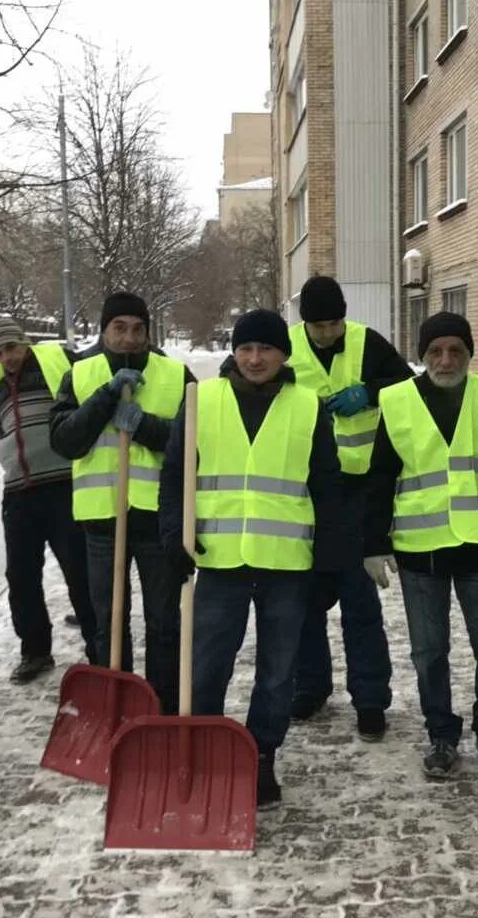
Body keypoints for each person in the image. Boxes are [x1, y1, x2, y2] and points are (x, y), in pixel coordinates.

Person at [159, 308, 349, 807]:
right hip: (218, 560)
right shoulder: (202, 399)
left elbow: (328, 487)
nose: (255, 358)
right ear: (234, 352)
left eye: (265, 348)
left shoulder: (308, 406)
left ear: (283, 354)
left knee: (277, 672)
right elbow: (176, 475)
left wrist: (329, 561)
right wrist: (173, 538)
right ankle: (198, 750)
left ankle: (261, 757)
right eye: (246, 348)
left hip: (287, 564)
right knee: (206, 667)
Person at [365, 311, 478, 781]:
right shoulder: (396, 401)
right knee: (429, 651)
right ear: (421, 356)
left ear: (470, 354)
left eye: (456, 350)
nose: (446, 359)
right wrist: (373, 543)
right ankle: (442, 735)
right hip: (420, 550)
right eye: (435, 350)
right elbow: (379, 476)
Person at [50, 292, 193, 713]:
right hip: (101, 521)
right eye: (120, 328)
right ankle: (118, 706)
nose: (129, 338)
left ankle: (162, 708)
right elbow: (65, 441)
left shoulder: (176, 374)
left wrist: (144, 425)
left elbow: (197, 445)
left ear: (148, 332)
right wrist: (106, 398)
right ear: (104, 330)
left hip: (157, 519)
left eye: (138, 329)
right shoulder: (79, 373)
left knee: (164, 622)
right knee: (108, 622)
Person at [285, 274, 412, 741]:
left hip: (358, 491)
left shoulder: (368, 342)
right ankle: (311, 687)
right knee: (304, 601)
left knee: (360, 603)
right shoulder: (287, 346)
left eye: (334, 322)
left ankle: (371, 699)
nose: (327, 332)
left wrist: (370, 392)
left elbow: (405, 384)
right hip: (304, 490)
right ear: (305, 324)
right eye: (318, 325)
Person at [0, 316, 94, 683]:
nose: (6, 357)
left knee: (79, 571)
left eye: (10, 348)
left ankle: (100, 647)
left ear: (24, 342)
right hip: (18, 493)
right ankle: (35, 651)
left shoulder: (54, 370)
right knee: (21, 577)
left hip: (64, 486)